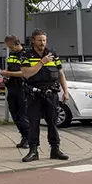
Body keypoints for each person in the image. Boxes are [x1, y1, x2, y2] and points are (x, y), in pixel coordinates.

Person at [20, 29, 70, 162]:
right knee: (34, 123)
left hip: (51, 93)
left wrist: (65, 90)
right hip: (34, 93)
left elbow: (60, 73)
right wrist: (42, 62)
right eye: (39, 40)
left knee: (52, 122)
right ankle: (33, 151)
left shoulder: (52, 54)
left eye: (44, 40)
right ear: (33, 41)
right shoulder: (27, 55)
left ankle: (55, 150)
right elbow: (26, 73)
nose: (42, 43)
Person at [1, 35, 30, 148]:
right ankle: (23, 135)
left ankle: (28, 138)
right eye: (9, 48)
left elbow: (25, 73)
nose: (10, 50)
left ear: (17, 43)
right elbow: (11, 69)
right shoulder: (12, 55)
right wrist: (6, 76)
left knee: (23, 115)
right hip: (12, 87)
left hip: (22, 87)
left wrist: (9, 74)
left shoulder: (26, 55)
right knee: (14, 113)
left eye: (12, 47)